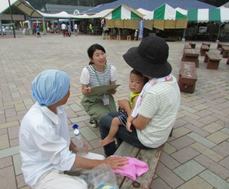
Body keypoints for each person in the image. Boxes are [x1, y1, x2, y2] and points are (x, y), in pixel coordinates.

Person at [19, 69, 128, 189]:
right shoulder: (39, 124)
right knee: (80, 185)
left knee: (101, 162)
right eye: (67, 89)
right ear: (58, 94)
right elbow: (65, 159)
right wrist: (104, 163)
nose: (69, 92)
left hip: (60, 159)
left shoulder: (55, 105)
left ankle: (75, 179)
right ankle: (75, 181)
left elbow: (58, 134)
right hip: (43, 170)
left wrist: (73, 147)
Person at [99, 35, 181, 157]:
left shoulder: (154, 92)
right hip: (159, 131)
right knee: (111, 115)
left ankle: (111, 156)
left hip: (149, 139)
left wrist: (127, 105)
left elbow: (139, 125)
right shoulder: (170, 80)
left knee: (104, 121)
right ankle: (120, 147)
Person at [100, 69, 148, 146]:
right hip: (131, 115)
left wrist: (126, 105)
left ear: (144, 85)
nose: (133, 85)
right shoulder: (137, 93)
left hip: (132, 118)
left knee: (115, 121)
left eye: (138, 82)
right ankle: (119, 142)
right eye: (131, 81)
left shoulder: (137, 97)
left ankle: (110, 138)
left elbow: (133, 113)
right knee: (111, 114)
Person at [80, 44, 117, 128]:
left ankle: (97, 115)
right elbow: (83, 91)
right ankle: (93, 116)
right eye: (97, 55)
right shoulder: (87, 71)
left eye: (103, 53)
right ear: (91, 59)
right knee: (106, 117)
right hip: (91, 98)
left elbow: (113, 91)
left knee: (114, 117)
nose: (101, 57)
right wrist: (86, 90)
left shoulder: (112, 69)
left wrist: (112, 90)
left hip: (106, 97)